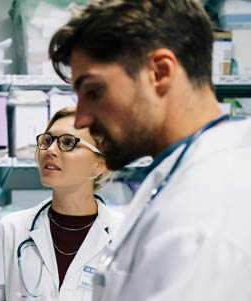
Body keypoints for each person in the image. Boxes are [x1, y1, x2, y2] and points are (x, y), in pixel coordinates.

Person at [48, 0, 251, 300]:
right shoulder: (179, 170)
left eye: (93, 91)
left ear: (159, 72)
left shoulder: (207, 211)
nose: (82, 119)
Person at [0, 107, 124, 300]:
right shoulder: (9, 231)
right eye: (47, 141)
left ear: (99, 165)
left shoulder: (125, 235)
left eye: (68, 142)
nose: (50, 150)